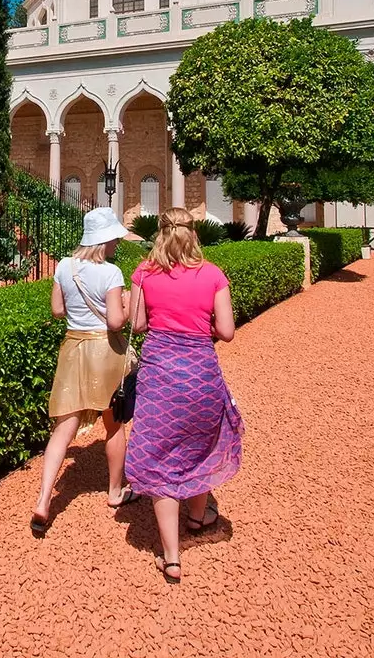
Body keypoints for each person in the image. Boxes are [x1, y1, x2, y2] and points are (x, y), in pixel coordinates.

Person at [123, 207, 243, 583]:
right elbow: (226, 331)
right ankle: (197, 516)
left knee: (159, 452)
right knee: (201, 444)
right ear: (193, 234)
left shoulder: (144, 273)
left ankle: (171, 557)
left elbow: (138, 324)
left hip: (160, 373)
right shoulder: (212, 275)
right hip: (200, 372)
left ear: (159, 234)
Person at [30, 206, 137, 538]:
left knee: (64, 427)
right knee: (114, 424)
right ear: (103, 240)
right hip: (105, 350)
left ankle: (45, 498)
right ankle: (115, 490)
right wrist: (129, 303)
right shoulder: (111, 273)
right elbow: (116, 322)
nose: (117, 244)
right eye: (115, 239)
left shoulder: (63, 266)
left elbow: (57, 310)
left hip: (74, 349)